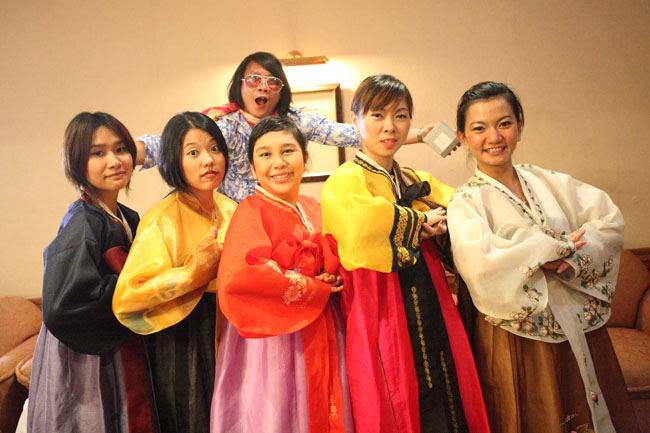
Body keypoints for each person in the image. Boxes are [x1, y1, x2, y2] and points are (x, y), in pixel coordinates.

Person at [447, 81, 639, 433]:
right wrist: (547, 249)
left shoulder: (548, 181)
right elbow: (480, 264)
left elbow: (608, 220)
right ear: (463, 137)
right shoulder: (466, 202)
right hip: (519, 334)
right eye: (479, 128)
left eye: (504, 123)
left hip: (577, 321)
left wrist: (574, 256)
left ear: (519, 125)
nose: (494, 137)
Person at [320, 75, 490, 433]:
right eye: (377, 115)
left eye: (400, 116)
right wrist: (419, 221)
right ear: (355, 120)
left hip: (430, 295)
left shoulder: (412, 176)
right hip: (379, 303)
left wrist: (445, 220)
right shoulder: (345, 180)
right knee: (393, 390)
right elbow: (359, 224)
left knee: (444, 384)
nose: (390, 126)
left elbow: (463, 204)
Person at [136, 51, 435, 202]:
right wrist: (124, 152)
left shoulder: (294, 121)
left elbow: (358, 134)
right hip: (235, 222)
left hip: (285, 213)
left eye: (272, 81)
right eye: (254, 80)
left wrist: (421, 134)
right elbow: (169, 144)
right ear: (239, 85)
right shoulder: (224, 126)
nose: (262, 87)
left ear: (281, 90)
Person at [212, 117, 353, 432]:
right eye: (265, 155)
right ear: (252, 167)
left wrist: (332, 276)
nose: (278, 163)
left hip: (324, 323)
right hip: (273, 335)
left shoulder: (314, 206)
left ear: (305, 158)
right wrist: (310, 284)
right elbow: (244, 273)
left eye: (288, 151)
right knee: (280, 407)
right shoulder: (250, 210)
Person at [28, 112, 157, 433]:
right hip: (85, 356)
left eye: (120, 149)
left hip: (116, 345)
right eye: (98, 153)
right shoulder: (82, 222)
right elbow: (63, 305)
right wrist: (136, 286)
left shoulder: (125, 216)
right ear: (77, 163)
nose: (114, 161)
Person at [112, 112, 237, 433]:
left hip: (233, 330)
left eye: (214, 148)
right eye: (193, 152)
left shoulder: (230, 208)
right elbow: (128, 297)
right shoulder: (162, 218)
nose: (208, 160)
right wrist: (194, 272)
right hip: (186, 339)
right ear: (173, 161)